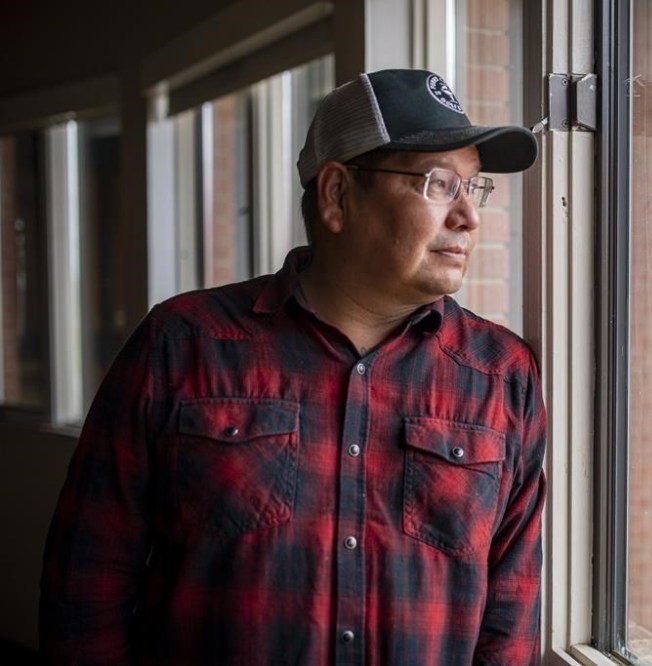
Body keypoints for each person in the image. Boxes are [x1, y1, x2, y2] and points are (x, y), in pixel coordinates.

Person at [39, 68, 547, 665]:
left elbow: (509, 624)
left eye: (473, 187)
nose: (469, 217)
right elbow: (86, 583)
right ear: (336, 194)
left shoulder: (501, 377)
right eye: (438, 184)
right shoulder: (184, 345)